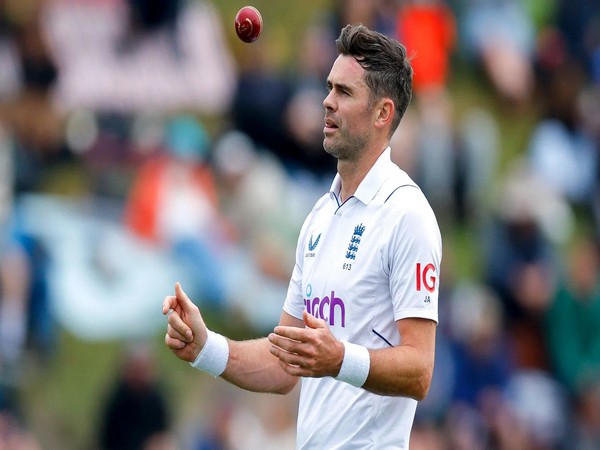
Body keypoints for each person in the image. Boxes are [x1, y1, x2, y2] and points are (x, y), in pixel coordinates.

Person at [164, 24, 442, 449]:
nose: (326, 102)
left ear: (383, 113)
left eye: (345, 93)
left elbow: (420, 371)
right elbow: (282, 367)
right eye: (329, 88)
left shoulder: (408, 215)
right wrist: (206, 347)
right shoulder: (319, 217)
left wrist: (338, 359)